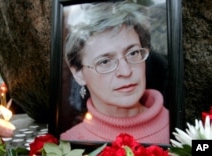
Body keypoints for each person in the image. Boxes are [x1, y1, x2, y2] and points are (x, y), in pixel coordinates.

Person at [60, 1, 169, 144]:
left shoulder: (185, 127)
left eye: (132, 53)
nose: (126, 71)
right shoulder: (66, 144)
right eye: (104, 62)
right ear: (78, 73)